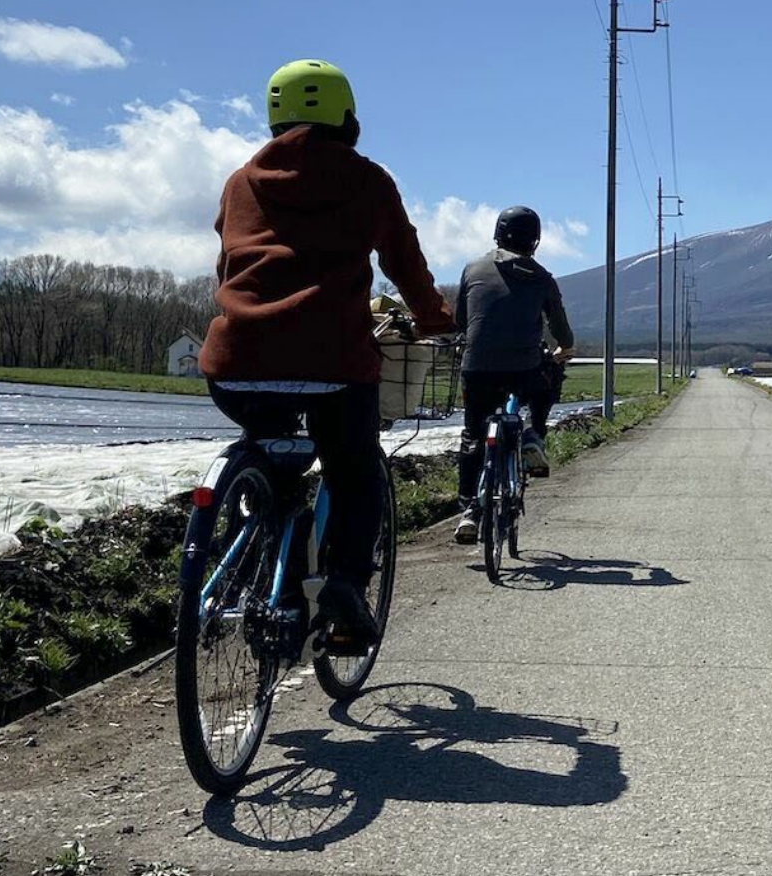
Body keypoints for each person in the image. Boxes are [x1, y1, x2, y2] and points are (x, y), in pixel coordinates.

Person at [200, 58, 453, 649]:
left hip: (237, 364)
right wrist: (434, 318)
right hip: (334, 365)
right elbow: (403, 263)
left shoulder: (241, 182)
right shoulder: (367, 181)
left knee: (270, 467)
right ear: (347, 117)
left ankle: (266, 578)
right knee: (355, 467)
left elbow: (229, 263)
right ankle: (344, 585)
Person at [453, 205, 575, 544]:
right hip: (524, 369)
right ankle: (535, 435)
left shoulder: (472, 268)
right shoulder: (542, 277)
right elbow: (563, 335)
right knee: (546, 380)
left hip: (476, 368)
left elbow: (461, 321)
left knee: (473, 435)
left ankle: (468, 510)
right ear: (534, 241)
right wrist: (561, 348)